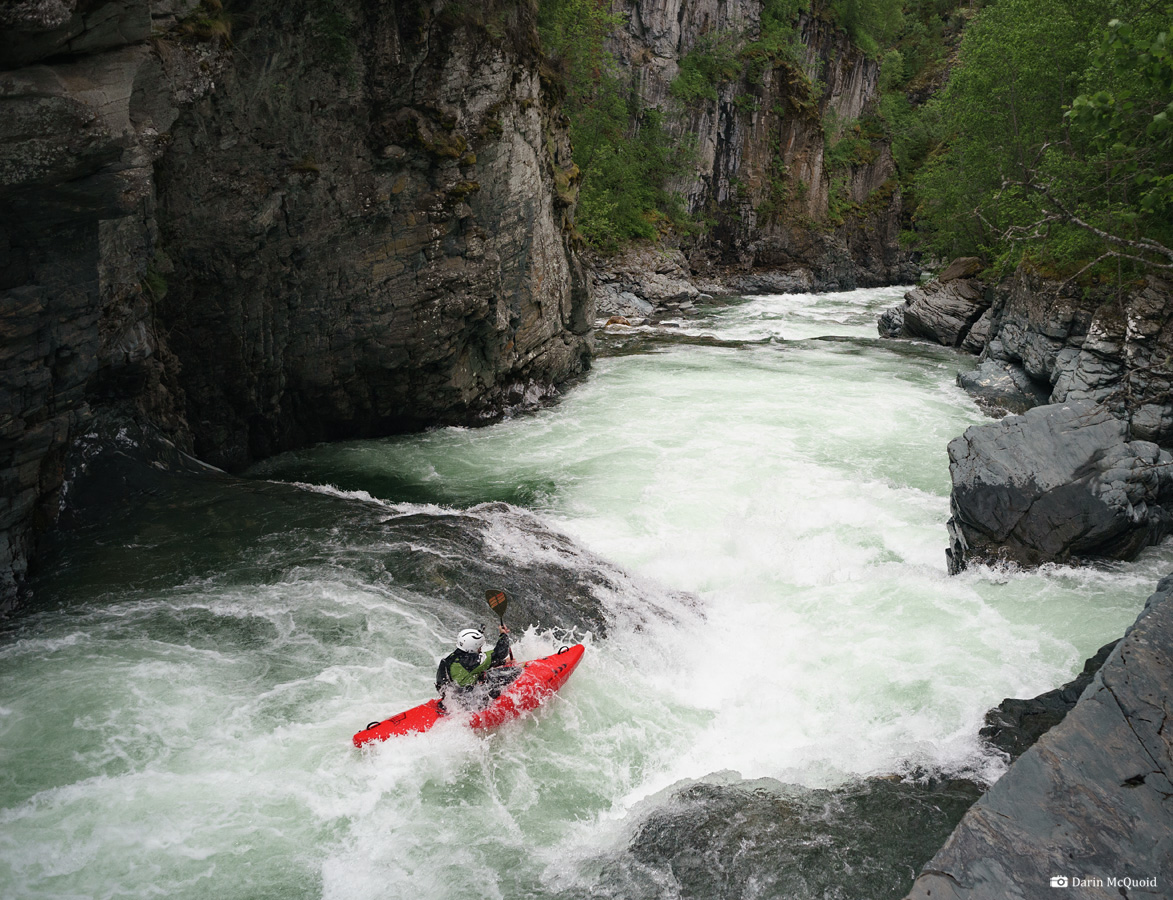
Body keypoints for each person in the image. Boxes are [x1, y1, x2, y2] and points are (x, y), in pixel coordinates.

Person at [435, 624, 512, 711]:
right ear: (472, 647)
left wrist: (503, 662)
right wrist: (503, 635)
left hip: (452, 700)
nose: (480, 650)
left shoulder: (452, 658)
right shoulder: (470, 661)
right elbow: (500, 652)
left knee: (484, 676)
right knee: (497, 679)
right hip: (467, 705)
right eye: (479, 648)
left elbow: (477, 668)